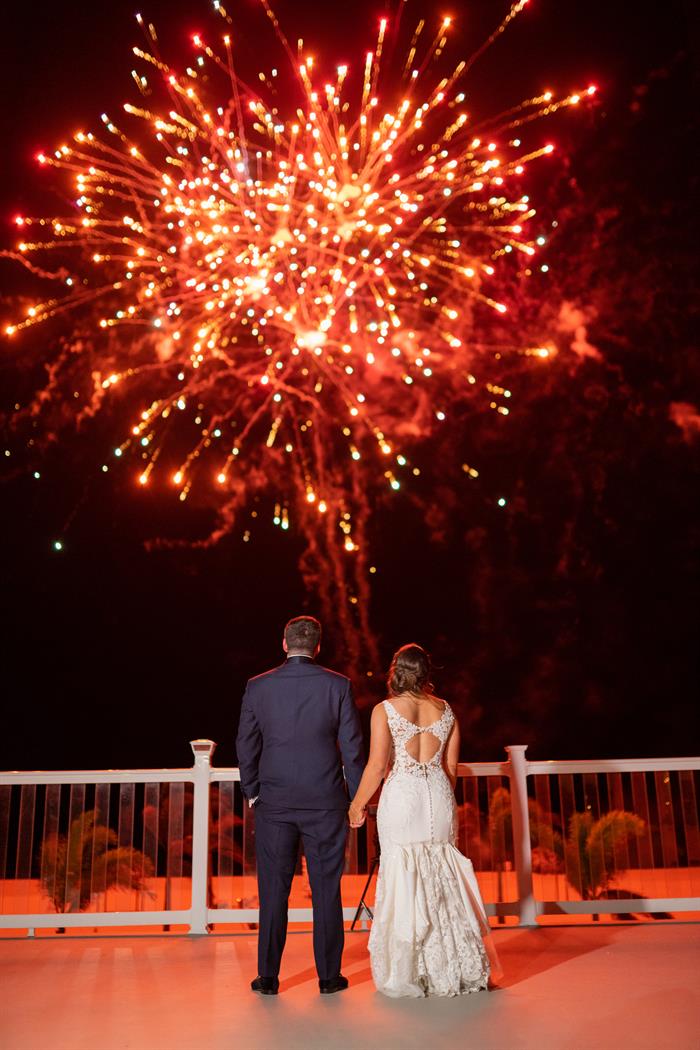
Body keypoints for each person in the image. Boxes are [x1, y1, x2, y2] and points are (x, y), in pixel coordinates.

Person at [349, 643, 497, 997]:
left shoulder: (384, 710)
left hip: (402, 796)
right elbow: (450, 768)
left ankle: (411, 969)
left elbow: (376, 766)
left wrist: (357, 804)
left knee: (404, 875)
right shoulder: (446, 711)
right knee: (443, 875)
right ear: (427, 673)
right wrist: (442, 800)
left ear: (396, 672)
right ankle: (454, 968)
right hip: (438, 797)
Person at [236, 615, 365, 996]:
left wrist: (253, 790)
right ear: (318, 646)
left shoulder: (258, 687)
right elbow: (353, 748)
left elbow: (246, 743)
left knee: (273, 890)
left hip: (274, 802)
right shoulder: (338, 685)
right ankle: (328, 978)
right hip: (325, 801)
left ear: (284, 643)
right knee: (326, 889)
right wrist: (356, 799)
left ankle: (268, 977)